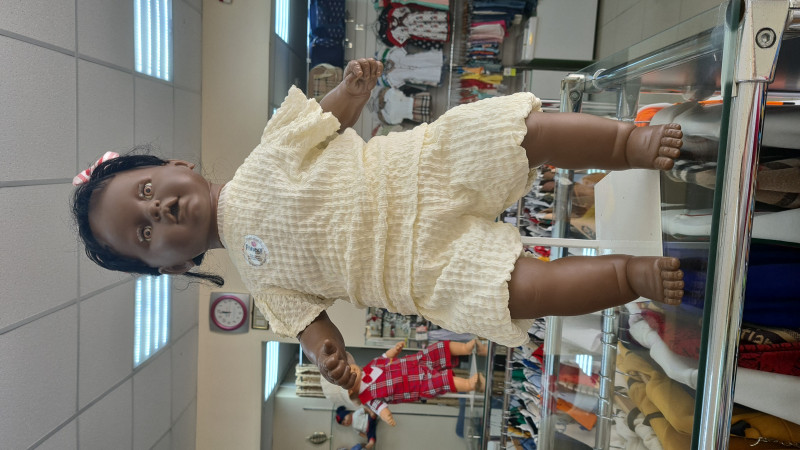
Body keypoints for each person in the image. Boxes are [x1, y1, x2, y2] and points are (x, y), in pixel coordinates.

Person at [72, 57, 685, 393]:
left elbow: (323, 122)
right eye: (145, 233)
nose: (157, 210)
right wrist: (328, 355)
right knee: (524, 291)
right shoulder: (264, 286)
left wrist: (350, 90)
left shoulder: (267, 152)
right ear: (173, 266)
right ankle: (631, 275)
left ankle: (631, 144)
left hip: (418, 169)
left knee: (522, 134)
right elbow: (312, 328)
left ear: (176, 167)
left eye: (146, 191)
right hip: (417, 269)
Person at [320, 340, 487, 427]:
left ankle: (467, 348)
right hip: (417, 384)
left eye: (349, 366)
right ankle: (471, 384)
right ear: (349, 391)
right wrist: (386, 415)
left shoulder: (370, 366)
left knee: (438, 349)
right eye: (349, 372)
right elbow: (380, 408)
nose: (352, 368)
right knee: (442, 381)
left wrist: (394, 350)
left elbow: (385, 357)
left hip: (416, 361)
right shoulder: (368, 398)